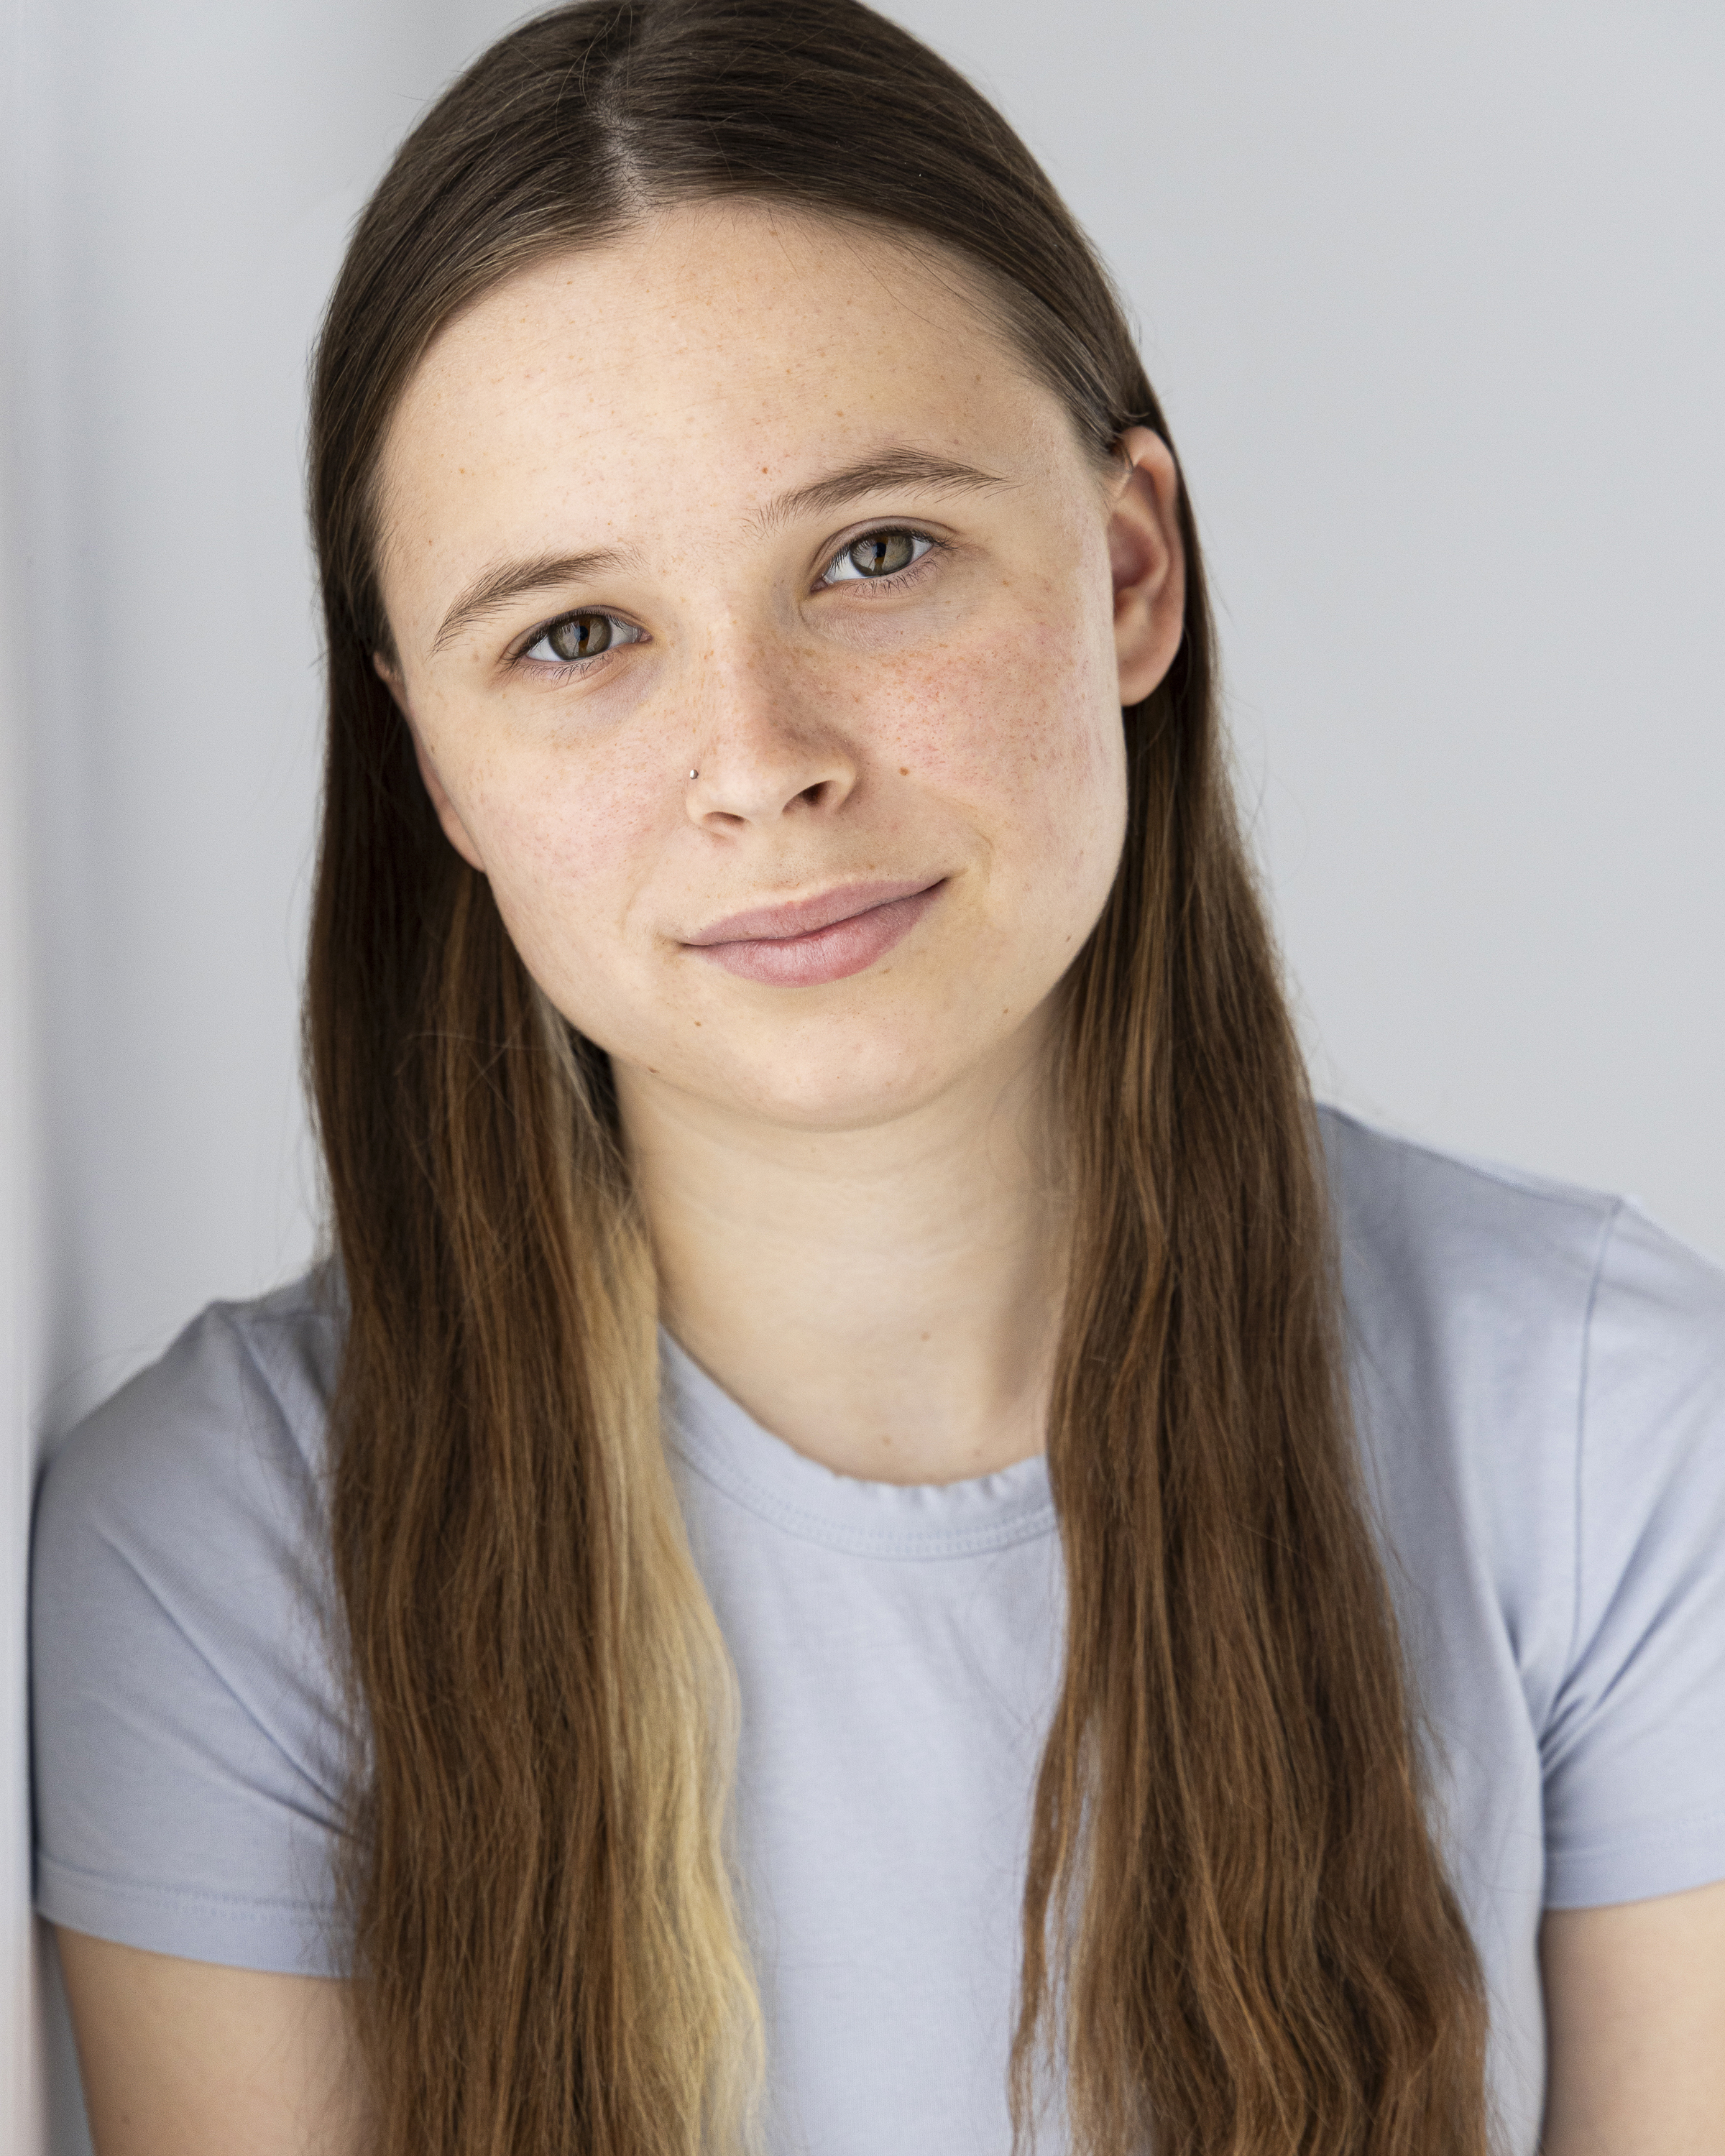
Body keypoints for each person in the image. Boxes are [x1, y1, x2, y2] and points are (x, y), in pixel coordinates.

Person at [29, 2, 1725, 2152]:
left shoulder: (1604, 1432)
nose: (760, 763)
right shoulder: (226, 1553)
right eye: (575, 636)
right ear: (432, 763)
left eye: (875, 553)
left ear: (1130, 572)